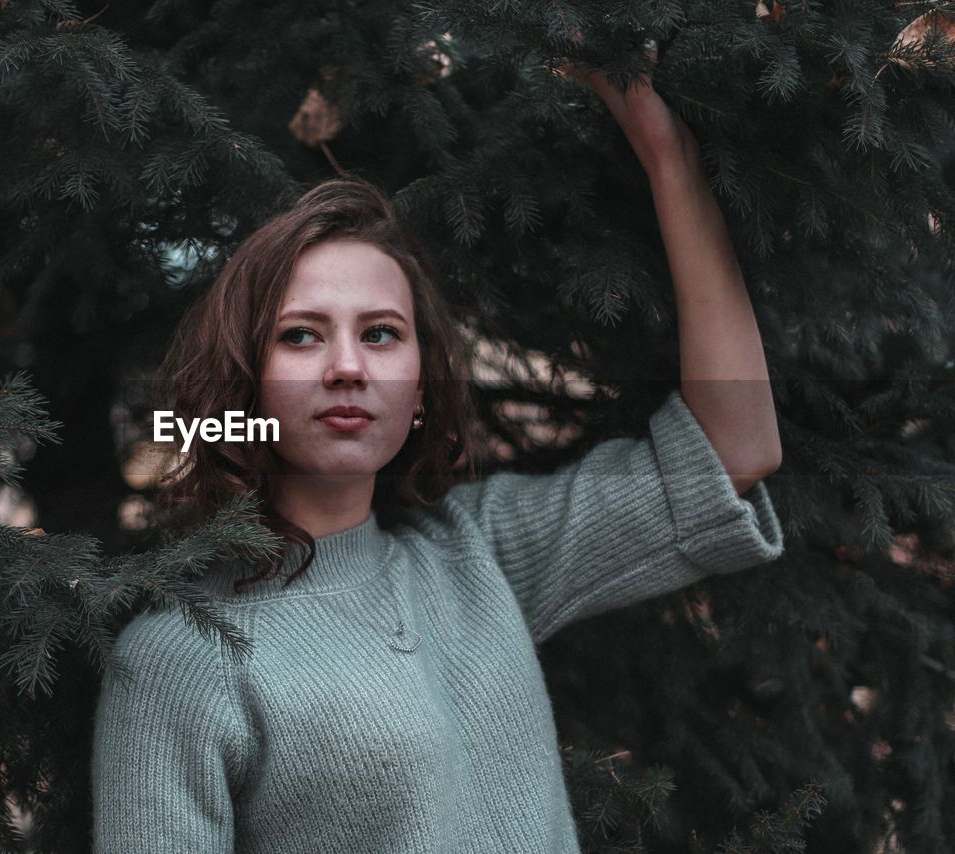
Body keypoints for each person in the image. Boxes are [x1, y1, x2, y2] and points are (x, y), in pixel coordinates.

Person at [92, 38, 786, 853]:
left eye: (382, 334)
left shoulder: (481, 557)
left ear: (420, 391)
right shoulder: (178, 659)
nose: (348, 366)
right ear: (244, 385)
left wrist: (670, 157)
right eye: (302, 337)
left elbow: (734, 448)